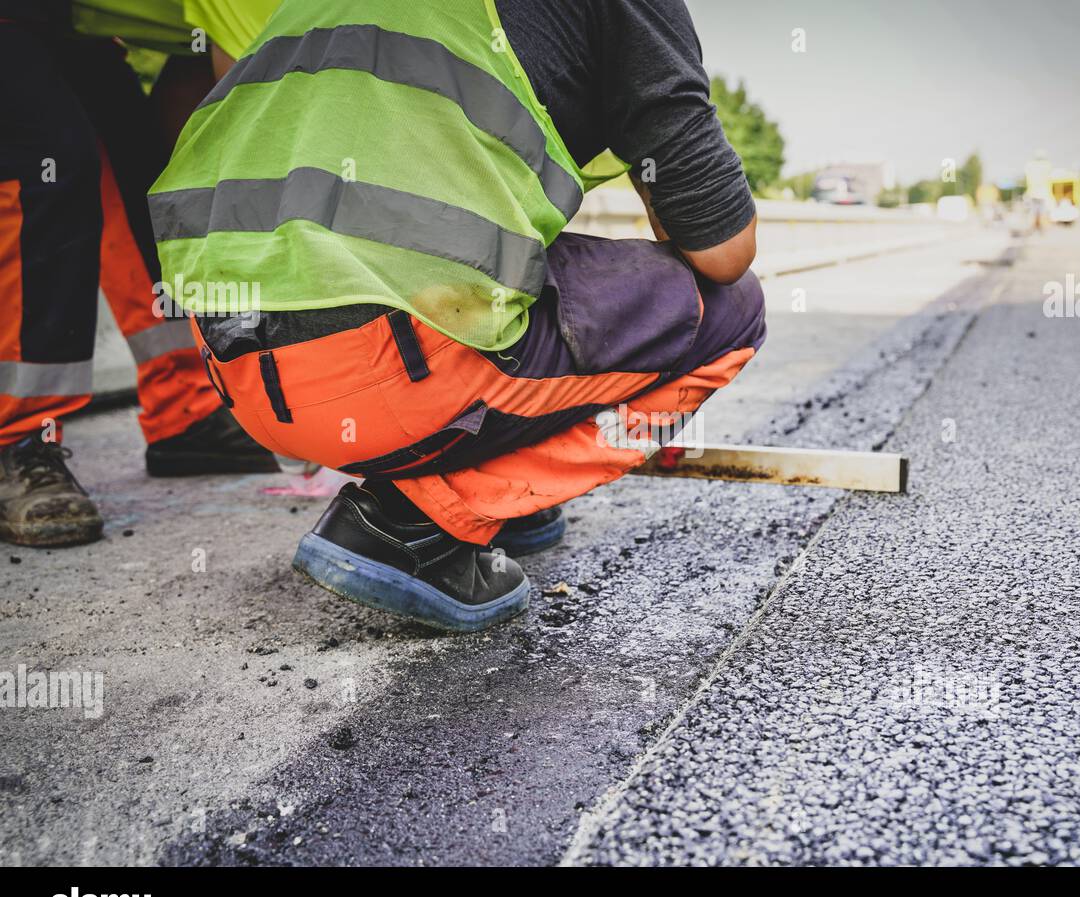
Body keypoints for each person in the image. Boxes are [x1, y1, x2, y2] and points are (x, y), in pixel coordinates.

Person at [149, 0, 766, 631]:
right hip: (381, 381)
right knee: (731, 308)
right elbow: (719, 250)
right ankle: (417, 522)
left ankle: (507, 498)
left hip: (241, 375)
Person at [0, 0, 280, 548]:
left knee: (136, 157)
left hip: (62, 19)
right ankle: (16, 438)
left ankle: (185, 406)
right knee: (46, 159)